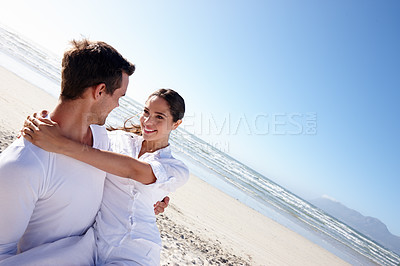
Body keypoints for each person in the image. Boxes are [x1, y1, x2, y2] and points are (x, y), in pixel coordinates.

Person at [0, 39, 167, 265]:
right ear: (99, 91)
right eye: (119, 96)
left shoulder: (102, 140)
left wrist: (151, 198)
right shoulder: (23, 164)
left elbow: (128, 171)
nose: (117, 105)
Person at [22, 88, 189, 265]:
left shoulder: (176, 168)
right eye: (146, 112)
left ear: (176, 124)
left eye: (159, 117)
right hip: (92, 242)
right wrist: (37, 125)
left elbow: (133, 170)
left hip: (136, 252)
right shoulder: (119, 139)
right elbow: (79, 132)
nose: (148, 121)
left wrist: (60, 144)